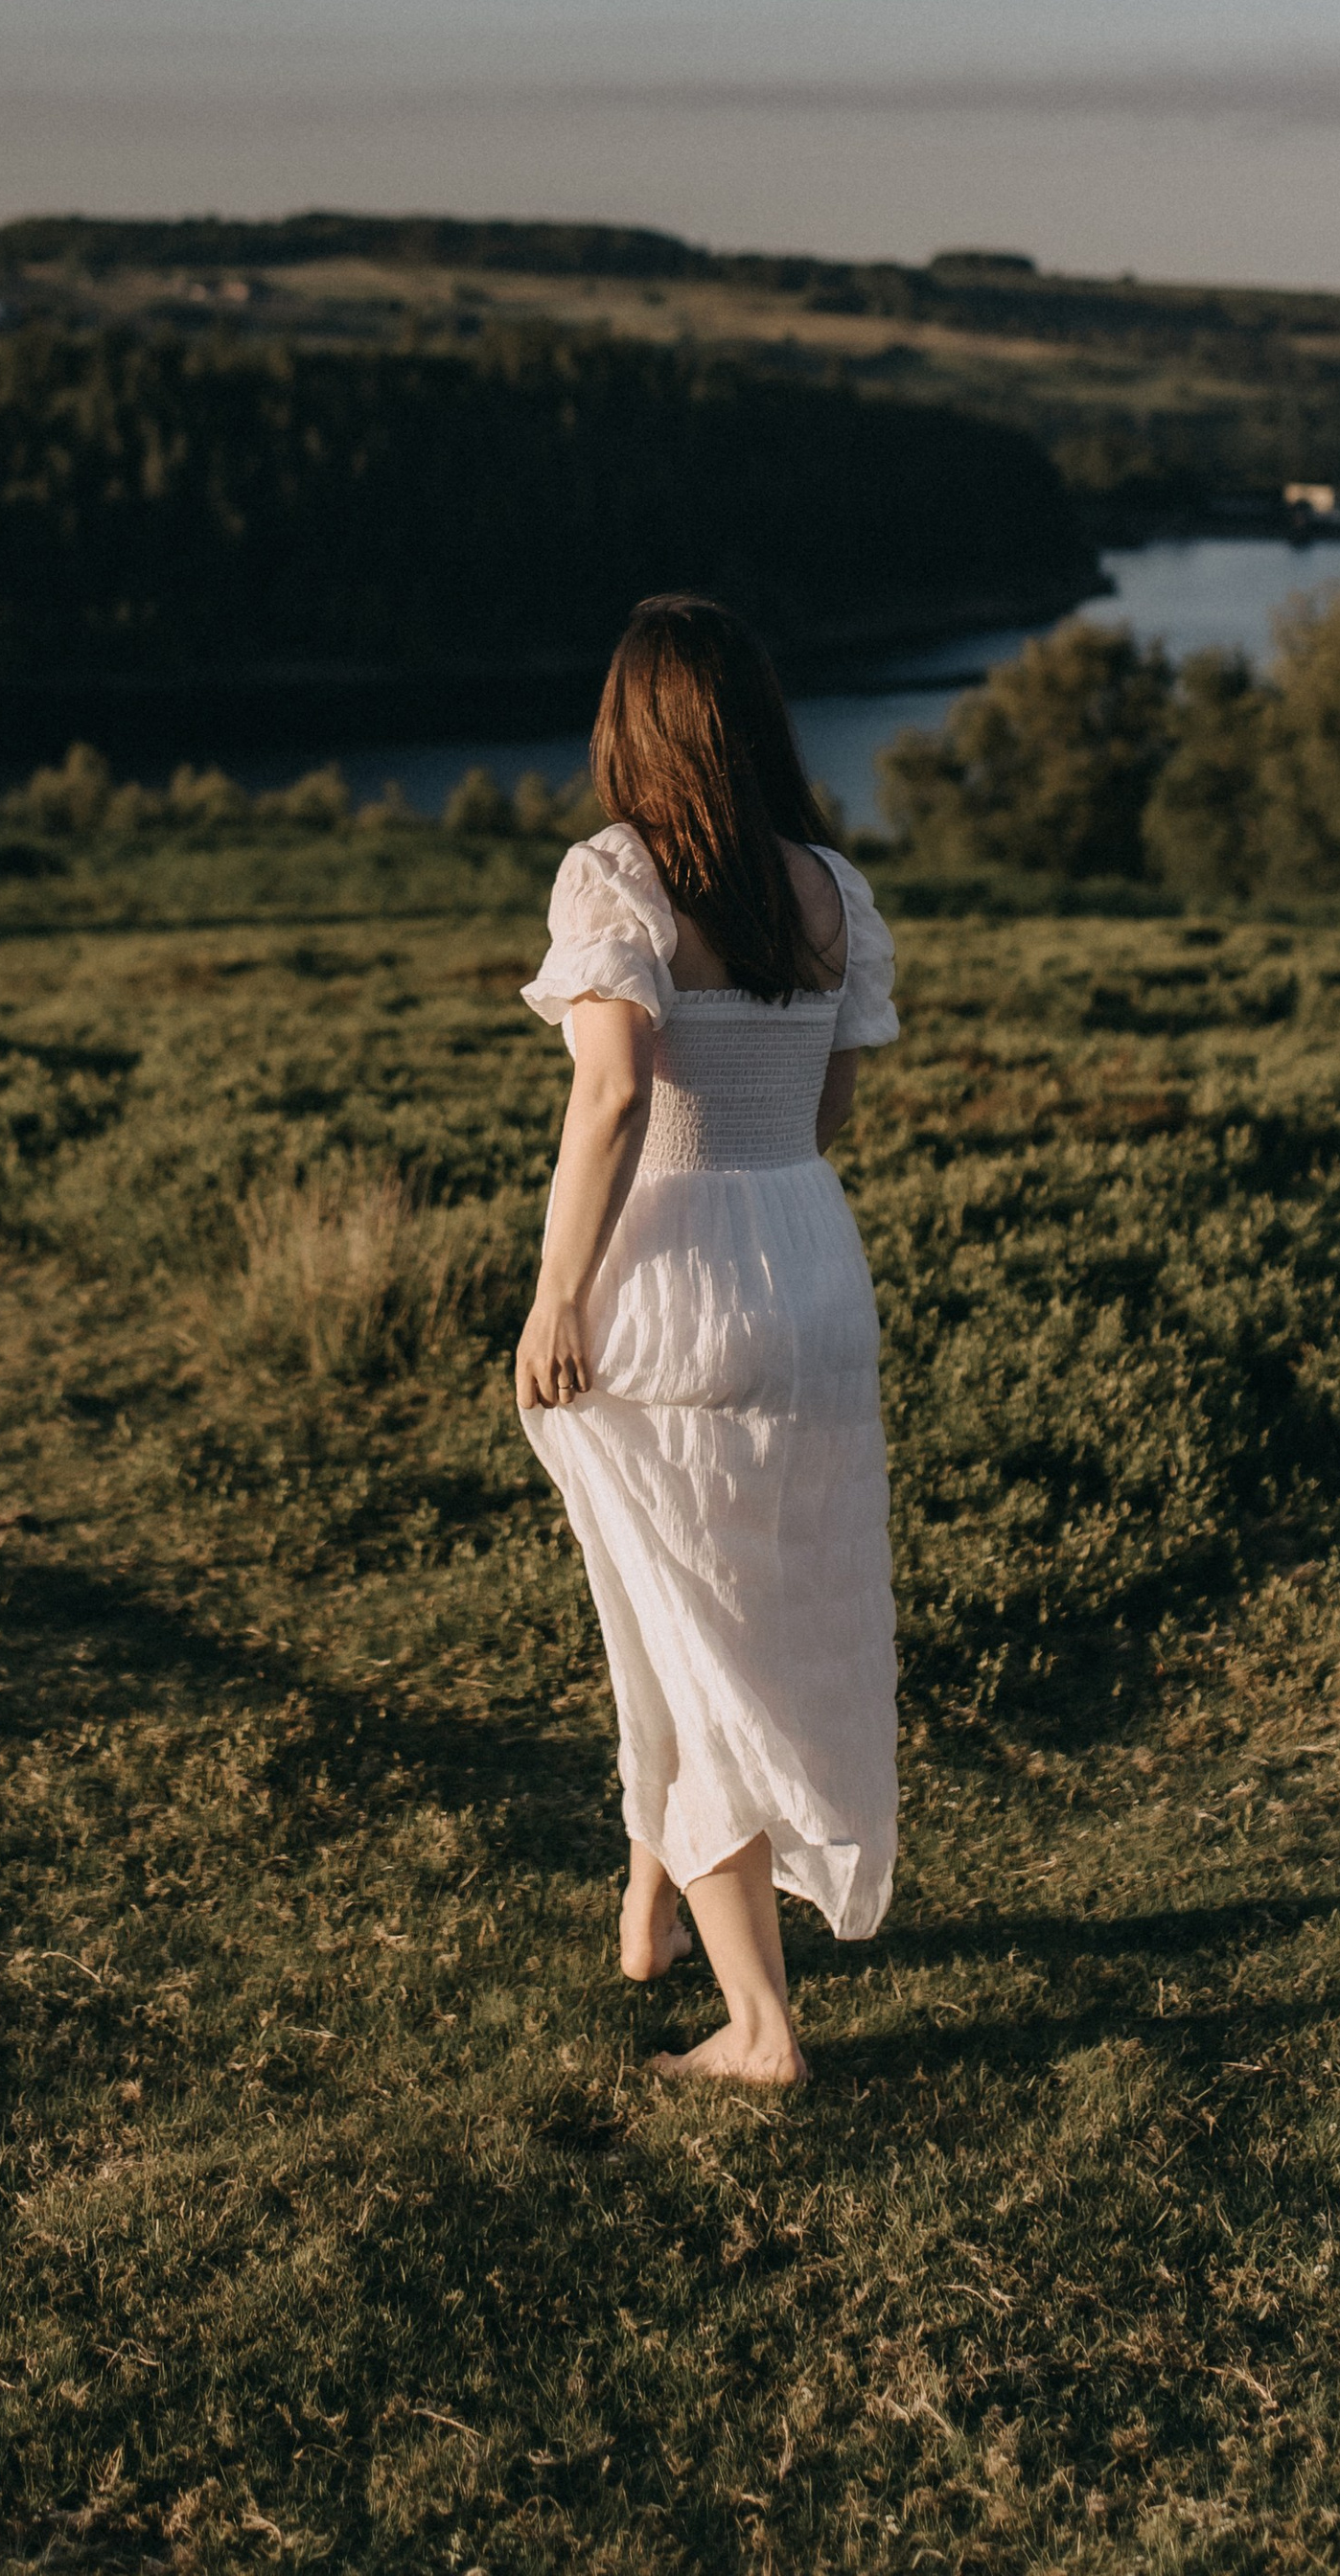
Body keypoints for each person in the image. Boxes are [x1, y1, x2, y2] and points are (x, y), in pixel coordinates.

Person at [515, 592, 902, 2085]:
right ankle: (653, 1905)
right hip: (809, 1254)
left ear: (637, 727)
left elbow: (613, 1096)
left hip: (677, 1276)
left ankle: (760, 2028)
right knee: (730, 1607)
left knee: (688, 1633)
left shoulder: (617, 876)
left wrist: (560, 1290)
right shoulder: (828, 887)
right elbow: (830, 1106)